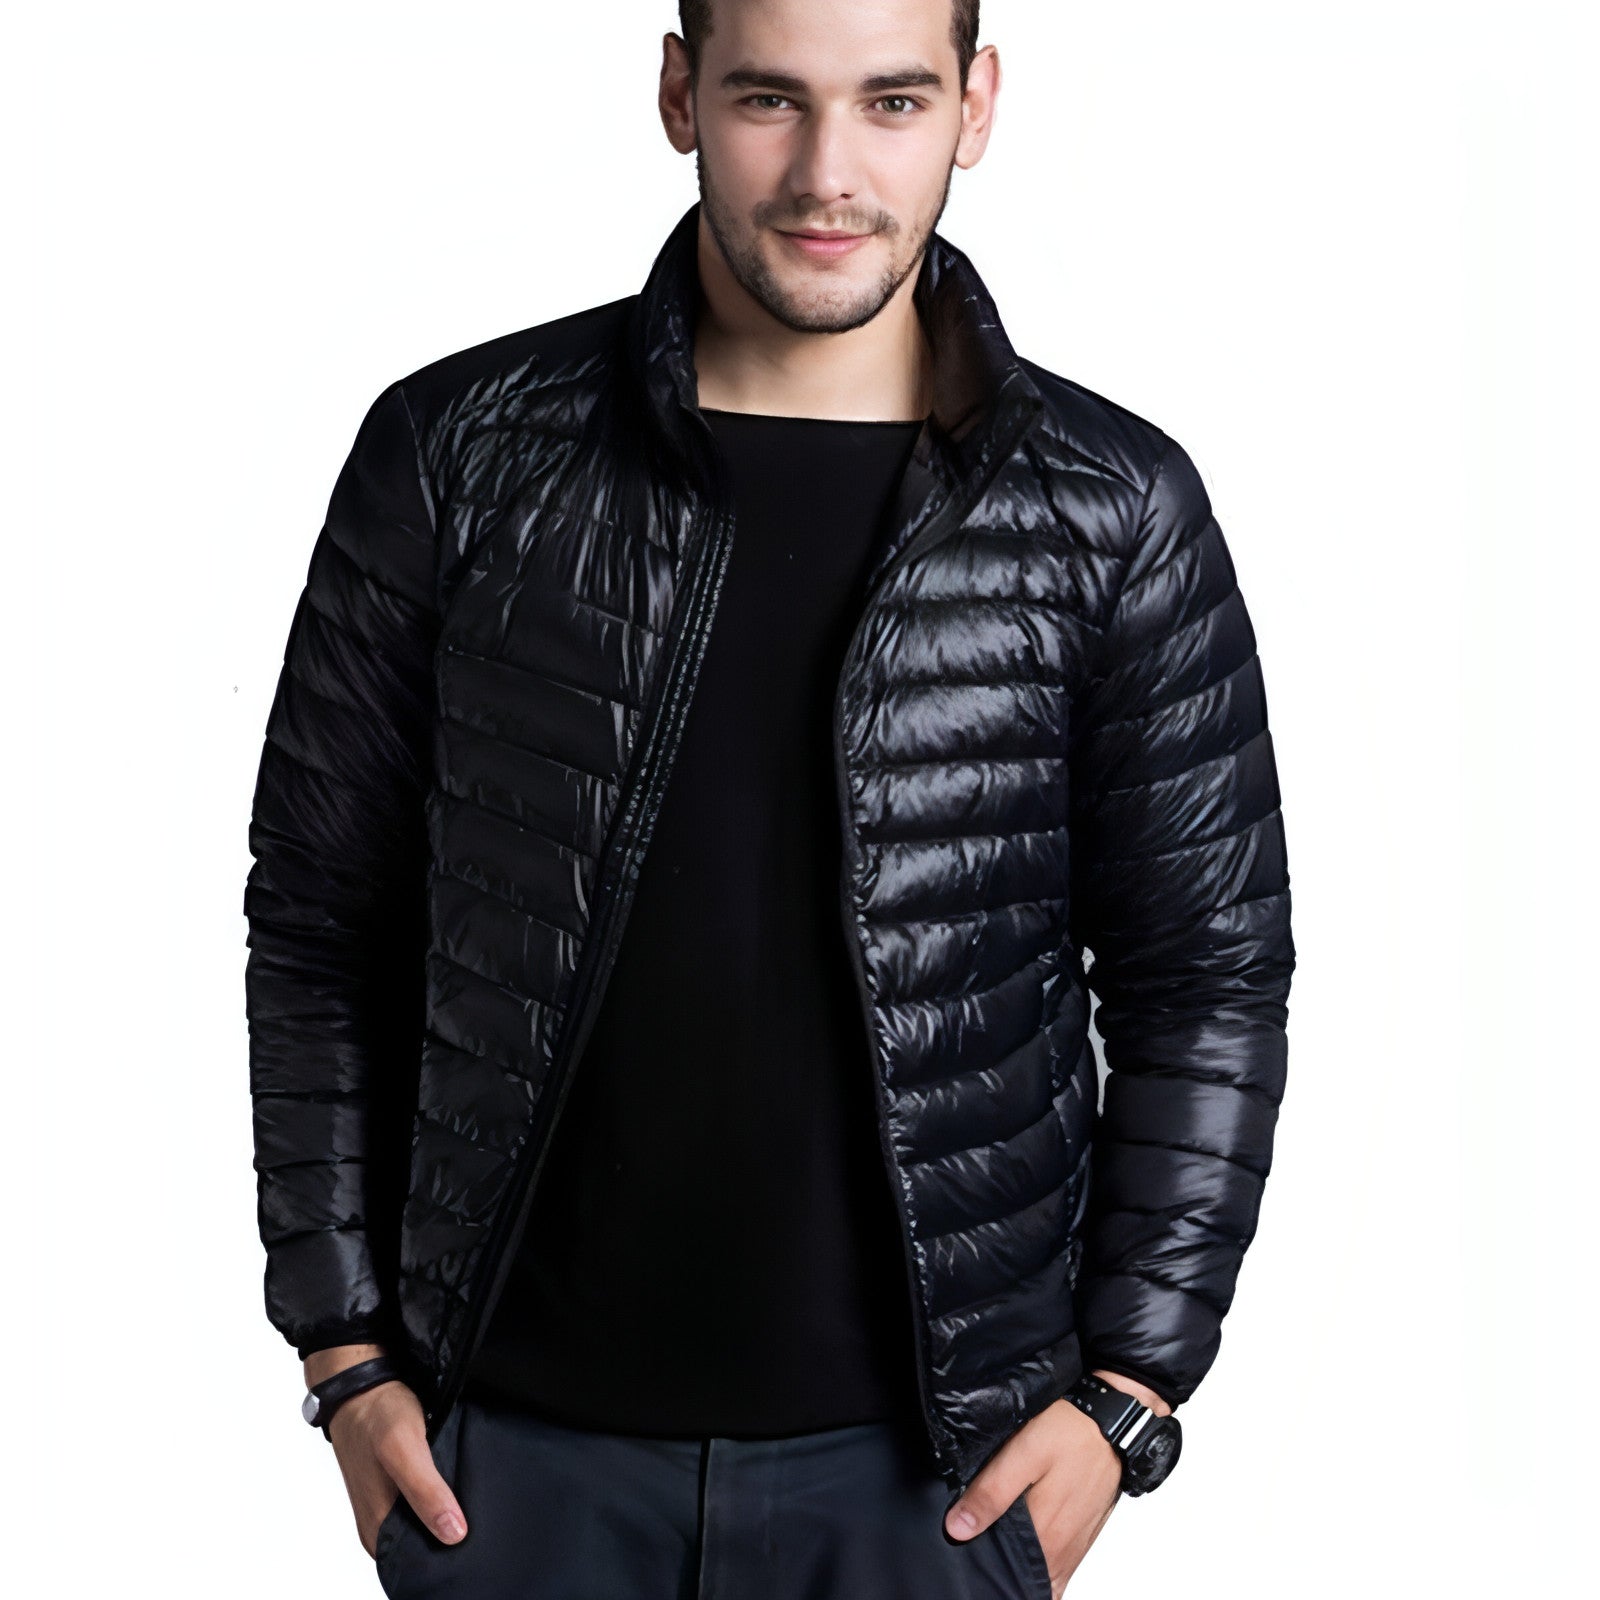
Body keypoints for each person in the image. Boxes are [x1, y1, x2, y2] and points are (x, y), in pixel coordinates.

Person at [243, 2, 1296, 1595]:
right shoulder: (458, 454)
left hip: (937, 1487)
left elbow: (1207, 974)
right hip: (509, 1471)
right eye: (768, 100)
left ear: (976, 105)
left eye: (892, 102)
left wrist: (1128, 1395)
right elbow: (325, 922)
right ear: (679, 92)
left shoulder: (1109, 509)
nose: (827, 173)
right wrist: (343, 1354)